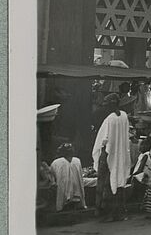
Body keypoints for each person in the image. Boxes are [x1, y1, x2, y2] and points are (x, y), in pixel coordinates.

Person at [92, 93, 131, 222]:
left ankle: (108, 214)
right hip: (121, 155)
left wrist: (99, 154)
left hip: (109, 155)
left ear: (112, 104)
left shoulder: (109, 119)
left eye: (107, 104)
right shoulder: (124, 116)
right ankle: (120, 213)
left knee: (106, 185)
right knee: (119, 183)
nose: (106, 107)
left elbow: (102, 140)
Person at [50, 143, 86, 212]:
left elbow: (52, 176)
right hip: (74, 191)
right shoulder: (76, 160)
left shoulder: (56, 162)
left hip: (64, 190)